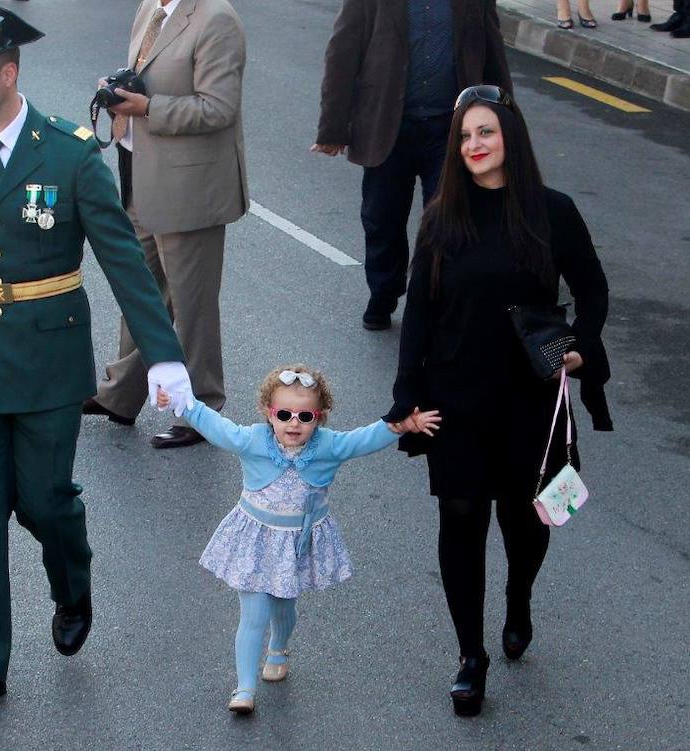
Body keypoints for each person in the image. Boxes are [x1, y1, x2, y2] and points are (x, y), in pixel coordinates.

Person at [0, 3, 192, 719]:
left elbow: (124, 262)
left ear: (9, 73)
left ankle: (72, 580)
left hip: (47, 359)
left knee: (44, 500)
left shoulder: (69, 155)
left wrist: (164, 357)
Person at [385, 85, 612, 717]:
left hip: (529, 394)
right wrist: (406, 392)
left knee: (525, 517)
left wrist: (579, 347)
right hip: (455, 393)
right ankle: (470, 656)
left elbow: (593, 291)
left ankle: (519, 596)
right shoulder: (442, 217)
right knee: (460, 516)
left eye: (485, 131)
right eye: (464, 136)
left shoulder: (552, 211)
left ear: (510, 135)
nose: (474, 145)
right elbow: (420, 312)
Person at [156, 365, 441, 713]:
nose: (294, 423)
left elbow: (362, 439)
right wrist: (182, 403)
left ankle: (278, 647)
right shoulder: (252, 440)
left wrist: (402, 425)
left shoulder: (328, 446)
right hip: (255, 541)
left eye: (305, 416)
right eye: (284, 415)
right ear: (268, 413)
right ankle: (244, 688)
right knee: (253, 614)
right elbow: (217, 427)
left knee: (283, 608)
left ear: (319, 417)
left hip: (296, 545)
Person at [82, 0, 249, 449]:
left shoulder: (217, 19)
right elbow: (148, 74)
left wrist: (147, 107)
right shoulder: (151, 9)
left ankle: (202, 409)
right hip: (143, 179)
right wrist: (119, 93)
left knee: (192, 306)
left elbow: (218, 108)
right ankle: (121, 394)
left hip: (191, 190)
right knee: (141, 292)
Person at [312, 0, 511, 331]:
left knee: (447, 221)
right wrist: (332, 129)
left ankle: (430, 302)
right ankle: (383, 292)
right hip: (388, 126)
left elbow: (493, 55)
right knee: (381, 219)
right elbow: (342, 52)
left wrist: (505, 125)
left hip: (452, 130)